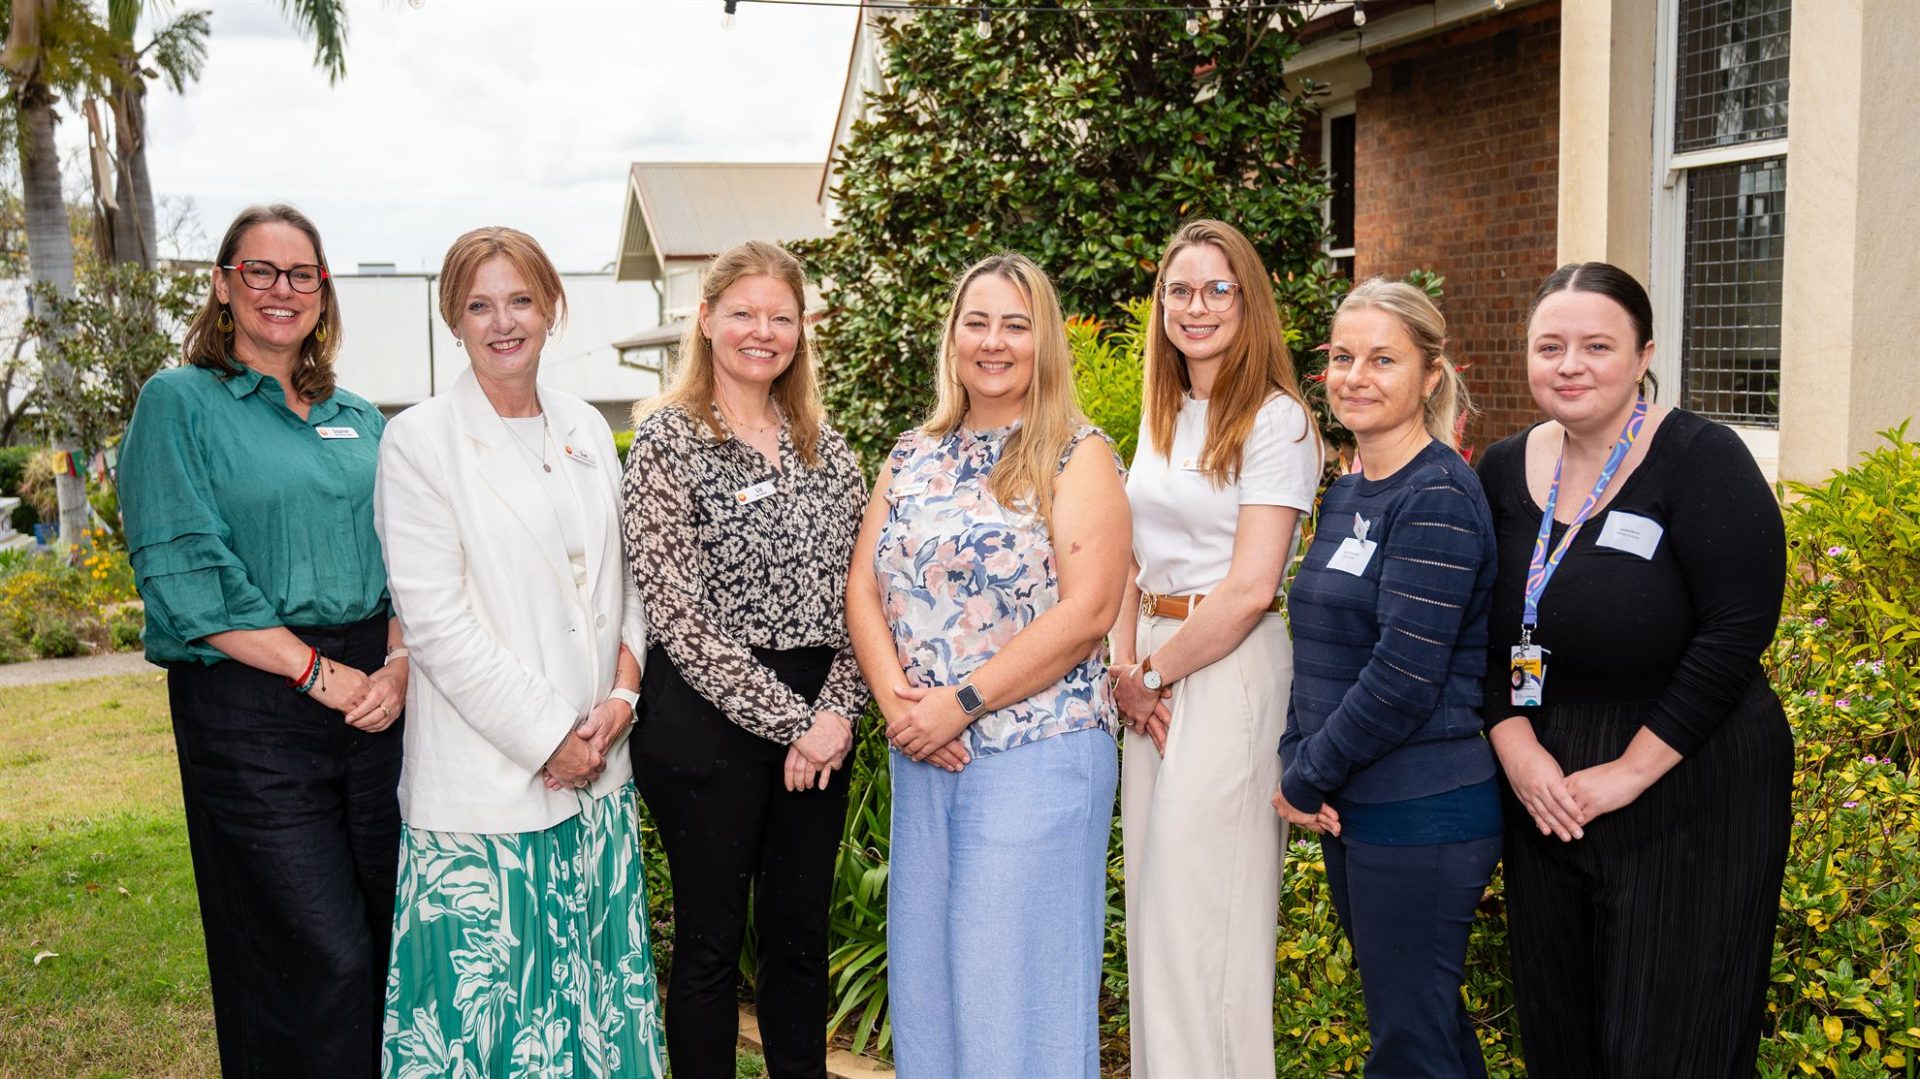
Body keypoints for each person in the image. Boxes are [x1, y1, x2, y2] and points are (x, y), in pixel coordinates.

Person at [1477, 262, 1791, 1078]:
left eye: (1597, 345)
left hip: (1689, 774)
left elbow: (1735, 631)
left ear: (1645, 352)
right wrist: (1517, 749)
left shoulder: (1701, 458)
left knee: (1669, 1039)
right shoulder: (1503, 471)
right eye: (1550, 345)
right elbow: (1478, 629)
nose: (1570, 363)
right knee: (1562, 1032)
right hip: (1545, 784)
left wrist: (1628, 771)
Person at [118, 203, 405, 1078]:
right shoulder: (180, 403)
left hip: (377, 700)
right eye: (261, 272)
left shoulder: (361, 415)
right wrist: (316, 672)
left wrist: (395, 664)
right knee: (313, 950)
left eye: (302, 274)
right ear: (223, 284)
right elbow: (186, 569)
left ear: (323, 291)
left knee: (385, 934)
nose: (282, 290)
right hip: (252, 701)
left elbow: (411, 553)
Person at [373, 227, 663, 1077]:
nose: (504, 322)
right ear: (452, 321)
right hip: (486, 800)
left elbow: (627, 582)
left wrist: (622, 698)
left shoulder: (583, 425)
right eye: (479, 304)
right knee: (489, 1036)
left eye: (521, 300)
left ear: (551, 308)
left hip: (598, 782)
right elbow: (436, 624)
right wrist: (552, 738)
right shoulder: (419, 443)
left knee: (590, 1027)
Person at [846, 251, 1130, 1077]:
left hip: (1037, 752)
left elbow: (1088, 614)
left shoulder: (1078, 455)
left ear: (1044, 341)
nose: (995, 341)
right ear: (953, 337)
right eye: (979, 322)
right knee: (931, 991)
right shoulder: (912, 451)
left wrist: (959, 702)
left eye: (1017, 324)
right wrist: (903, 707)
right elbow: (864, 586)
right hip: (926, 754)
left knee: (1014, 995)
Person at [621, 241, 867, 1079]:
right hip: (706, 719)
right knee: (709, 946)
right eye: (744, 313)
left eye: (781, 317)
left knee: (800, 940)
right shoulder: (667, 441)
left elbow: (866, 599)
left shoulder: (829, 452)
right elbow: (676, 615)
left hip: (823, 717)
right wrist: (799, 723)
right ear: (706, 319)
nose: (762, 331)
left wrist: (834, 716)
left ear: (802, 329)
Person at [1273, 279, 1502, 1078]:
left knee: (1411, 1043)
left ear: (1431, 375)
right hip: (1359, 803)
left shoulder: (1436, 493)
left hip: (1422, 805)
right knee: (1422, 1029)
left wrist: (1306, 773)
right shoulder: (1350, 488)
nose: (1354, 376)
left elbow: (1404, 674)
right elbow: (1321, 641)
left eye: (1382, 359)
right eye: (1341, 357)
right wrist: (1300, 755)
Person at [1109, 219, 1320, 1079]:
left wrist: (1153, 673)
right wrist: (1126, 669)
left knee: (1209, 921)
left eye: (1216, 290)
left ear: (1249, 301)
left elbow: (1250, 587)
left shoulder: (1279, 422)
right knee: (1156, 914)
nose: (1195, 307)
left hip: (1224, 671)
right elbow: (1127, 553)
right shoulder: (1166, 415)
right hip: (1148, 667)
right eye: (1179, 291)